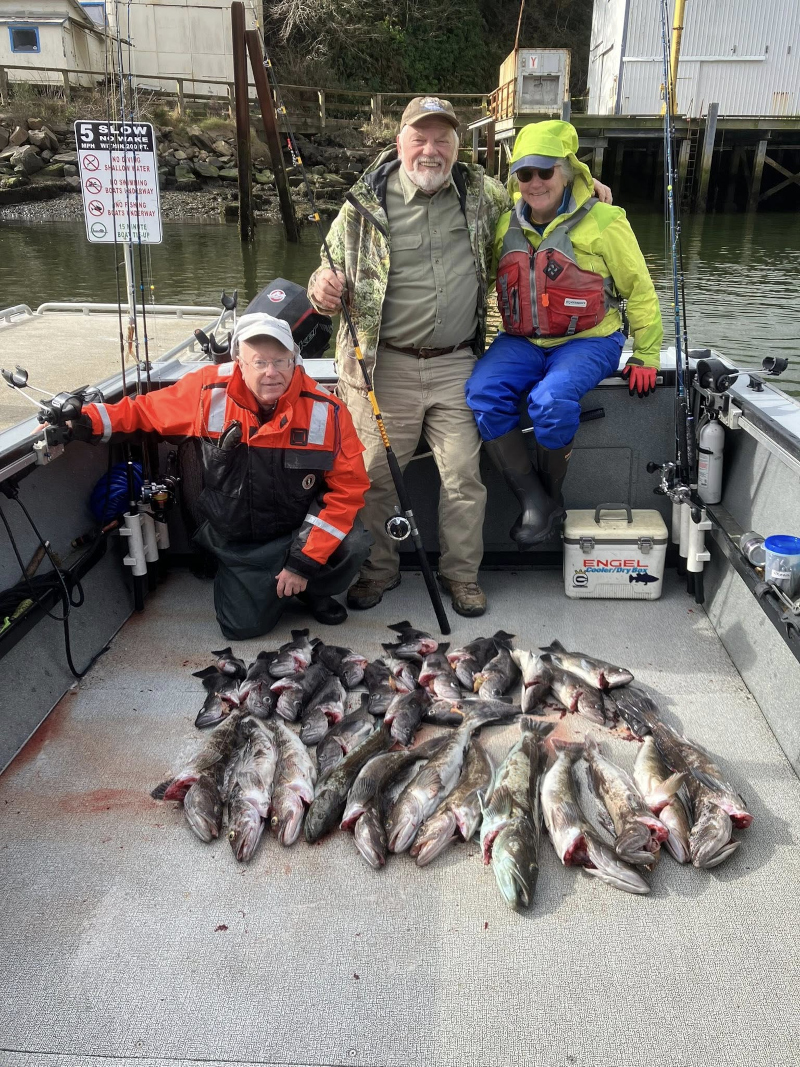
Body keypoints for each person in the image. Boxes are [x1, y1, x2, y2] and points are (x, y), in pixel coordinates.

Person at [308, 98, 613, 617]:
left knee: (464, 478)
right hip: (383, 367)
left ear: (457, 145)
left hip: (456, 363)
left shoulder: (481, 193)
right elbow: (322, 275)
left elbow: (540, 196)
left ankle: (462, 577)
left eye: (442, 139)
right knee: (376, 479)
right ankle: (377, 572)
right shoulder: (362, 204)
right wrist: (323, 290)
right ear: (400, 140)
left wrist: (586, 187)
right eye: (420, 138)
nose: (432, 149)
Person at [73, 313, 372, 639]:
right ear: (238, 363)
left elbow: (348, 488)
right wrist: (85, 420)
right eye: (259, 362)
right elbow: (143, 412)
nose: (271, 372)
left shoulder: (327, 410)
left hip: (300, 532)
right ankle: (270, 585)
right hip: (240, 540)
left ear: (295, 362)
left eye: (281, 361)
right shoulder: (206, 390)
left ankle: (313, 588)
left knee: (354, 543)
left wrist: (304, 562)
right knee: (240, 629)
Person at [465, 119, 662, 548]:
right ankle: (535, 499)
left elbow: (641, 291)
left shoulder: (607, 220)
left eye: (545, 171)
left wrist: (647, 355)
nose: (535, 182)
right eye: (525, 173)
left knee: (550, 401)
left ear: (567, 170)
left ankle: (552, 497)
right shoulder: (503, 224)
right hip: (522, 341)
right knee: (481, 391)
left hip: (590, 339)